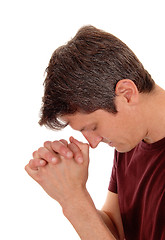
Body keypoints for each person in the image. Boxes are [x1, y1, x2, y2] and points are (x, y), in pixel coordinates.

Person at [25, 26, 165, 240]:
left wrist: (74, 201)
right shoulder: (131, 141)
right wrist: (70, 189)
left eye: (92, 127)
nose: (92, 143)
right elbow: (117, 231)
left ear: (126, 95)